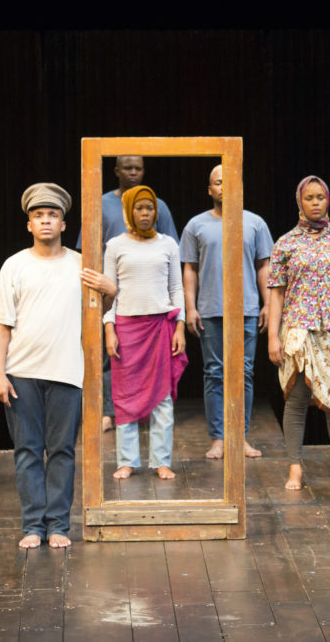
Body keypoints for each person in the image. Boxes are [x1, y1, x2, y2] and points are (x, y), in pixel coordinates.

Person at [0, 183, 115, 549]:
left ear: (63, 223)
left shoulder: (81, 264)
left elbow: (96, 316)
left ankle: (58, 524)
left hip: (66, 372)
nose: (45, 221)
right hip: (21, 373)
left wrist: (110, 291)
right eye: (38, 216)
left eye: (53, 215)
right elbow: (1, 325)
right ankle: (33, 526)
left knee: (61, 451)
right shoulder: (14, 265)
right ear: (29, 224)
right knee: (27, 450)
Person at [268, 175, 330, 491]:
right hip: (299, 330)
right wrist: (273, 336)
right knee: (297, 399)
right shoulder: (286, 243)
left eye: (320, 197)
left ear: (328, 200)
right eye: (309, 197)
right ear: (300, 201)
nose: (315, 203)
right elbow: (277, 293)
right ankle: (295, 466)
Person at [76, 155, 178, 432]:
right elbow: (87, 248)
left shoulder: (157, 205)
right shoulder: (102, 204)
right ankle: (111, 411)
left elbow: (171, 250)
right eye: (128, 168)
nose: (134, 172)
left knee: (149, 360)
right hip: (108, 290)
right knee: (112, 354)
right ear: (116, 171)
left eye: (138, 168)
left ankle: (145, 408)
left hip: (148, 294)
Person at [181, 164, 272, 460]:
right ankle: (218, 438)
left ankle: (240, 437)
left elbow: (263, 267)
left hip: (245, 309)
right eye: (218, 183)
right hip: (210, 309)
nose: (224, 187)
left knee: (243, 373)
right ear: (210, 189)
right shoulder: (196, 225)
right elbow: (190, 269)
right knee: (214, 373)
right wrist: (191, 307)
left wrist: (268, 303)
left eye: (229, 182)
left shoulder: (255, 223)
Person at [105, 185, 188, 480]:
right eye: (139, 208)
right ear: (129, 211)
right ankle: (127, 460)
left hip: (160, 328)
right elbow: (109, 292)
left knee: (162, 398)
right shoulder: (115, 245)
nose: (145, 213)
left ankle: (161, 460)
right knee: (125, 397)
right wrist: (109, 327)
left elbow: (176, 289)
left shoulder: (168, 244)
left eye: (149, 208)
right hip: (127, 328)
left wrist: (180, 325)